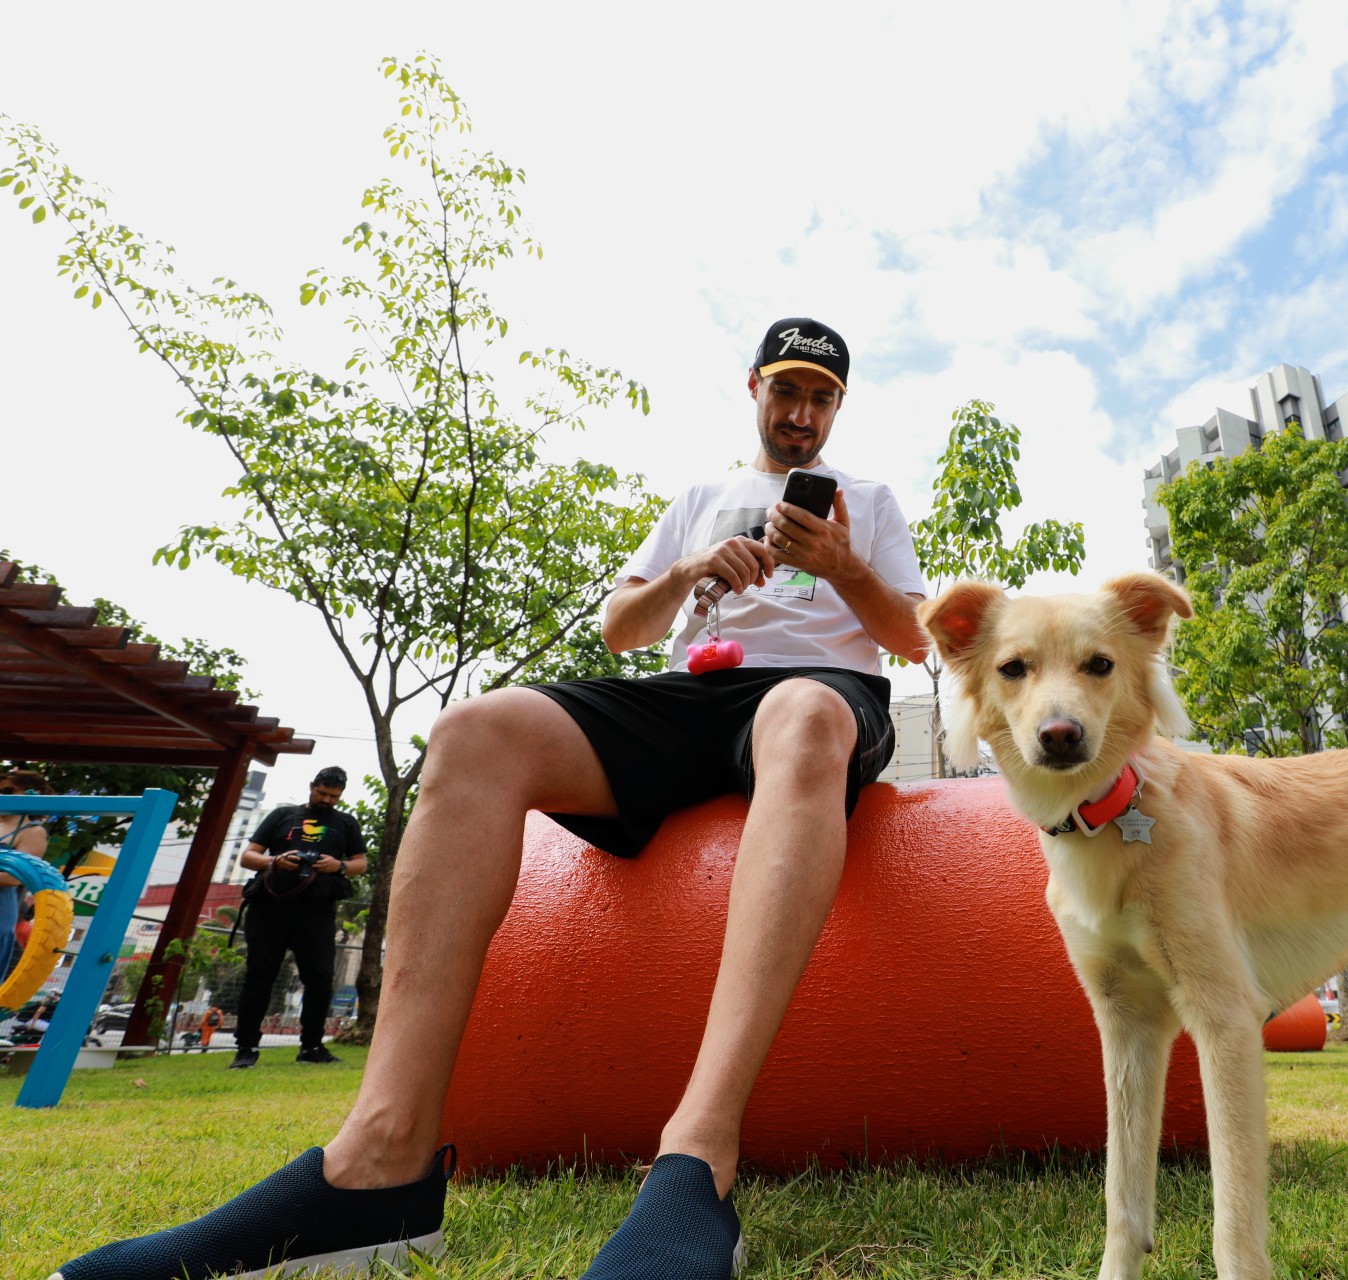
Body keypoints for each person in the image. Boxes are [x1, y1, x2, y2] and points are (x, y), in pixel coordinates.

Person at [55, 317, 930, 1280]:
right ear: (755, 386)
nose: (802, 414)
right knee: (475, 729)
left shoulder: (871, 500)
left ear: (838, 409)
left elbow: (918, 637)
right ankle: (378, 1161)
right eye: (788, 391)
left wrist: (842, 566)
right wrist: (690, 571)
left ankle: (699, 1157)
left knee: (801, 711)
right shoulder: (700, 496)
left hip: (819, 699)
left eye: (822, 399)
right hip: (689, 694)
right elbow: (621, 632)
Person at [229, 766, 367, 1069]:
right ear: (311, 786)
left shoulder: (345, 823)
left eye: (334, 796)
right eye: (322, 793)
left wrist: (338, 866)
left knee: (319, 979)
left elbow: (361, 863)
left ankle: (312, 1047)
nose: (327, 800)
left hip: (317, 911)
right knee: (259, 977)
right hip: (269, 907)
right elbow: (249, 856)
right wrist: (276, 860)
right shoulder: (282, 816)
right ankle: (246, 1048)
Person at [0, 768, 51, 984]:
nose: (2, 794)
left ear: (34, 793)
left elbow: (16, 876)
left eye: (9, 790)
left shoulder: (33, 831)